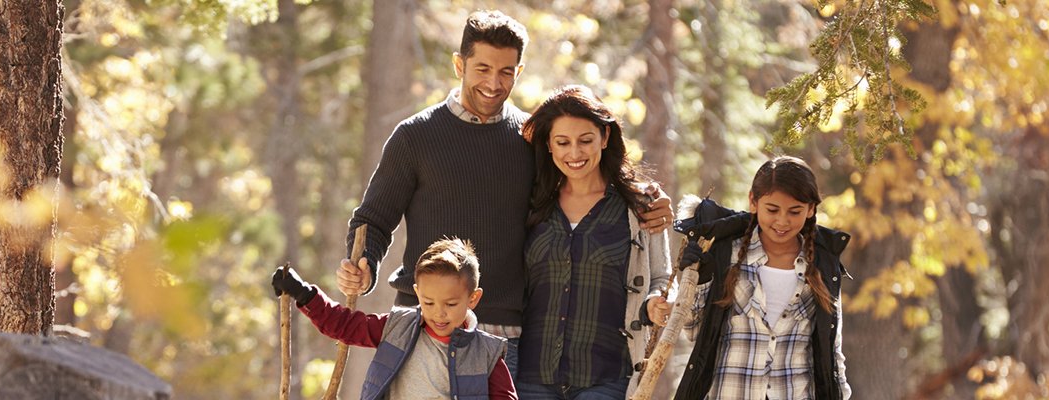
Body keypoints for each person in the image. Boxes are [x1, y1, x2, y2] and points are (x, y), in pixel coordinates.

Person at [337, 10, 673, 382]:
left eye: (506, 71)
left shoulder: (531, 140)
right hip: (421, 326)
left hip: (501, 337)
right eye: (482, 68)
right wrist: (364, 265)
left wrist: (644, 198)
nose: (493, 83)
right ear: (459, 64)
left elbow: (584, 182)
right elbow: (373, 221)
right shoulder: (414, 136)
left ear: (519, 71)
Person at [514, 85, 672, 399]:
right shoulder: (532, 203)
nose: (574, 153)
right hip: (532, 375)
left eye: (585, 140)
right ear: (548, 145)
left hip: (606, 376)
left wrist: (655, 302)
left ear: (604, 137)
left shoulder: (640, 205)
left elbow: (661, 276)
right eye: (563, 142)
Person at [669, 156, 853, 399]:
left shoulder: (823, 265)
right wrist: (699, 279)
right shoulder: (726, 253)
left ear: (810, 210)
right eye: (772, 209)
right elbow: (694, 332)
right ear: (753, 202)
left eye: (795, 211)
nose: (782, 221)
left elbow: (832, 349)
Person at [272, 238, 516, 399]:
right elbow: (346, 325)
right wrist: (303, 293)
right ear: (417, 293)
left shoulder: (487, 353)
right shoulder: (398, 327)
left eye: (451, 304)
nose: (439, 313)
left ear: (472, 299)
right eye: (428, 302)